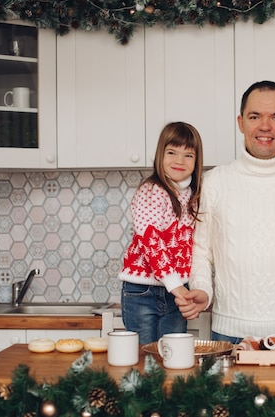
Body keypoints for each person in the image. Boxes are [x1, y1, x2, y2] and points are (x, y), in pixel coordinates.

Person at [177, 80, 275, 344]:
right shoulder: (214, 182)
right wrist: (202, 289)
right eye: (255, 116)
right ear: (240, 122)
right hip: (229, 334)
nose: (265, 126)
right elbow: (201, 251)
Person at [118, 121, 204, 345]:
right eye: (172, 152)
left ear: (196, 162)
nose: (179, 160)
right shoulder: (151, 191)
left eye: (188, 155)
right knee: (144, 359)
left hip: (177, 291)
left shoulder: (193, 195)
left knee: (174, 356)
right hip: (142, 291)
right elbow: (151, 241)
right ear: (160, 155)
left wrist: (185, 287)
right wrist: (176, 285)